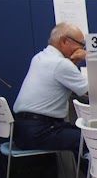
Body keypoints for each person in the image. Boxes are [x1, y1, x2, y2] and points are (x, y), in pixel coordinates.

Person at [13, 23, 88, 155]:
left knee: (81, 134)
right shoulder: (61, 64)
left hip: (22, 130)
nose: (82, 49)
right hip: (39, 131)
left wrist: (73, 64)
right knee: (93, 140)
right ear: (64, 41)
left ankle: (83, 168)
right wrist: (90, 57)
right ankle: (91, 169)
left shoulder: (40, 57)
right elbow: (94, 92)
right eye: (81, 45)